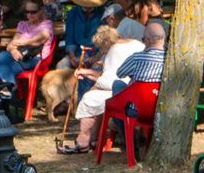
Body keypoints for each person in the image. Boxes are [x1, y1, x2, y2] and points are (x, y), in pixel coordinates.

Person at [59, 26, 143, 154]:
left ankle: (83, 141)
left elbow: (109, 81)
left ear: (106, 43)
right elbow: (115, 74)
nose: (102, 52)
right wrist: (89, 73)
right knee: (96, 96)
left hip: (123, 93)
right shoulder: (137, 44)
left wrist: (93, 86)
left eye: (101, 48)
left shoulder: (113, 50)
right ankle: (93, 139)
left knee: (90, 98)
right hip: (140, 90)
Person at [0, 0, 55, 82]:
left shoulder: (47, 25)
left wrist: (17, 43)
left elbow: (36, 41)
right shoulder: (23, 24)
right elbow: (10, 45)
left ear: (41, 10)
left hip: (37, 58)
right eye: (27, 12)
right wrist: (14, 51)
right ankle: (5, 90)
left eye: (33, 12)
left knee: (7, 68)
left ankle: (5, 89)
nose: (29, 15)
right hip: (20, 55)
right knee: (3, 55)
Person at [112, 20, 167, 93]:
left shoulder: (136, 58)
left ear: (147, 39)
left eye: (143, 39)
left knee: (117, 84)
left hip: (135, 100)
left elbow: (120, 73)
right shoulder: (168, 60)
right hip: (157, 99)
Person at [64, 0, 108, 65]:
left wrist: (96, 57)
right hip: (77, 52)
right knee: (61, 65)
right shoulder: (72, 13)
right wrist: (72, 57)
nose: (87, 6)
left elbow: (106, 39)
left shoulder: (103, 13)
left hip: (97, 53)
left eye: (90, 4)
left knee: (98, 68)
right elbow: (69, 38)